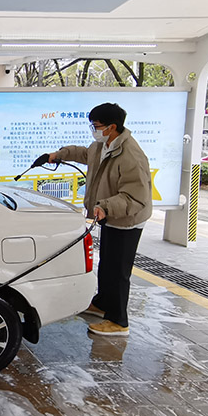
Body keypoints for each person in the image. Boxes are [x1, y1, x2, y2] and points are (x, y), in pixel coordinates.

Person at [39, 102, 152, 337]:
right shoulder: (104, 145)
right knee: (107, 263)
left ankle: (119, 321)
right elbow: (85, 153)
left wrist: (105, 207)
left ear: (112, 127)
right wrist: (57, 155)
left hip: (127, 219)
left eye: (97, 125)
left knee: (118, 271)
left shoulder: (131, 155)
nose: (94, 129)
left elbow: (136, 197)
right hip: (109, 216)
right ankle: (101, 304)